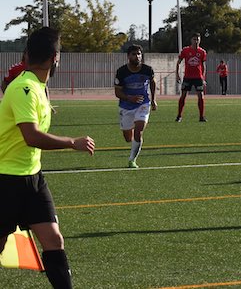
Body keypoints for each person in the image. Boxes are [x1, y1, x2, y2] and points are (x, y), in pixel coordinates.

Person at [0, 27, 95, 289]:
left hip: (32, 179)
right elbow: (31, 136)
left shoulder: (38, 87)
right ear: (56, 58)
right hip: (5, 179)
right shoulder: (24, 88)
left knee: (54, 240)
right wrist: (71, 143)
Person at [113, 45, 157, 168]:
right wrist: (129, 98)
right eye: (133, 54)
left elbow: (153, 82)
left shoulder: (147, 69)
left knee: (139, 130)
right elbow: (117, 92)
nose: (136, 56)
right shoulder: (121, 72)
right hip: (126, 106)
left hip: (143, 104)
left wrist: (153, 100)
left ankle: (132, 160)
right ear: (128, 56)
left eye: (139, 54)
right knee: (128, 138)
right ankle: (133, 142)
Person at [175, 33, 207, 123]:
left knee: (201, 96)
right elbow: (178, 62)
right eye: (194, 39)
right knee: (183, 95)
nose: (196, 41)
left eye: (198, 39)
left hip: (198, 77)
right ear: (191, 40)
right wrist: (177, 74)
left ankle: (201, 116)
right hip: (187, 77)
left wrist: (203, 78)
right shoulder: (185, 50)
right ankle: (179, 116)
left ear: (200, 40)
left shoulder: (202, 52)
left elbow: (203, 66)